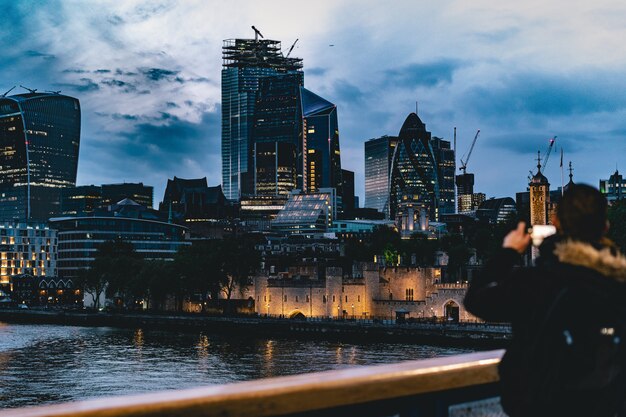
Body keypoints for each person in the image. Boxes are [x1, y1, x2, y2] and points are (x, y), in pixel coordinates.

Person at [464, 184, 626, 417]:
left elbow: (476, 301)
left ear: (556, 223)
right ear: (605, 226)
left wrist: (508, 252)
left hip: (544, 406)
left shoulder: (537, 281)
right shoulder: (618, 283)